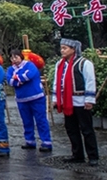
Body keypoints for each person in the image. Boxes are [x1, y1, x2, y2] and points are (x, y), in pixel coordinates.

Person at [52, 38, 98, 166]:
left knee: (87, 129)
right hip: (67, 101)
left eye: (65, 48)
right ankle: (77, 154)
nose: (62, 51)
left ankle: (93, 155)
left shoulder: (84, 63)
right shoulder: (60, 64)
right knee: (71, 129)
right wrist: (55, 99)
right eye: (61, 48)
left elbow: (90, 81)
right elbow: (57, 82)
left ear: (73, 49)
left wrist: (89, 100)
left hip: (81, 100)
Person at [6, 49, 52, 152]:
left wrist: (17, 78)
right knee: (26, 121)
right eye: (12, 58)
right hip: (21, 99)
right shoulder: (10, 69)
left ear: (21, 57)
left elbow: (29, 75)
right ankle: (29, 140)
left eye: (16, 57)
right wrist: (18, 80)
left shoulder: (30, 65)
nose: (14, 60)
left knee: (41, 120)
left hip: (36, 97)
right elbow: (10, 80)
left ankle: (46, 141)